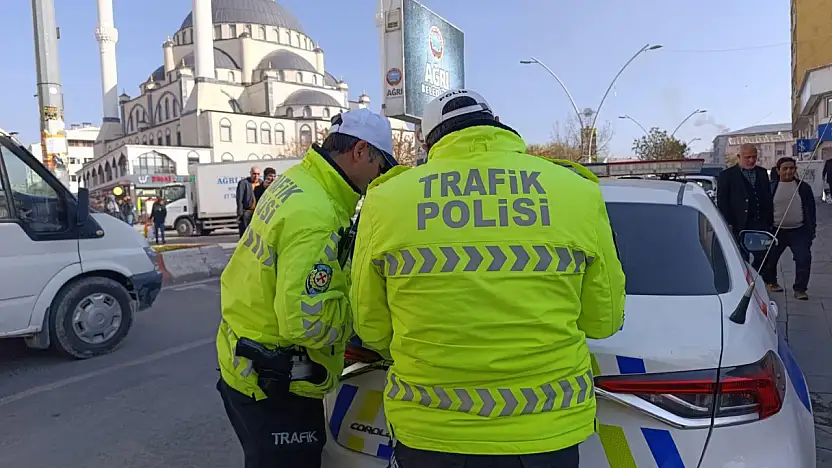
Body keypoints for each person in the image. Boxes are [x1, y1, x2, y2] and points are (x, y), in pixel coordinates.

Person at [350, 89, 626, 467]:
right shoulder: (576, 191)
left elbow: (371, 326)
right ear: (496, 124)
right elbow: (603, 321)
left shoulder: (387, 200)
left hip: (431, 431)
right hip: (545, 431)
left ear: (429, 142)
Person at [216, 108, 398, 468]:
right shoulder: (318, 213)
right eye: (382, 168)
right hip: (278, 383)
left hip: (244, 360)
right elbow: (307, 322)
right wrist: (365, 325)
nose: (379, 179)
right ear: (360, 151)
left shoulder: (297, 181)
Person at [762, 157, 816, 300]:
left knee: (804, 258)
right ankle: (772, 282)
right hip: (776, 231)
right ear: (778, 170)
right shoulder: (770, 187)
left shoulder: (804, 188)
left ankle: (800, 289)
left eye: (792, 168)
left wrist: (812, 231)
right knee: (770, 259)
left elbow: (811, 210)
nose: (788, 171)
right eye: (785, 168)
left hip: (799, 231)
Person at [717, 143, 774, 271]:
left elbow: (767, 197)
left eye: (754, 157)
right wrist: (728, 223)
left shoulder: (762, 173)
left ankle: (756, 278)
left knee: (764, 257)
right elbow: (722, 201)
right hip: (739, 226)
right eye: (747, 157)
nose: (751, 160)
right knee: (741, 259)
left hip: (760, 225)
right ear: (739, 156)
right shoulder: (727, 176)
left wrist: (769, 221)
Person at [236, 166, 261, 238]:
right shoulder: (243, 183)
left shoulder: (261, 183)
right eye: (254, 174)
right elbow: (239, 199)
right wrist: (240, 214)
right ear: (250, 173)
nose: (256, 176)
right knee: (246, 235)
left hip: (257, 213)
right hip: (247, 212)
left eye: (258, 174)